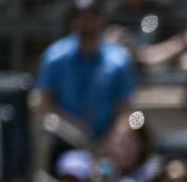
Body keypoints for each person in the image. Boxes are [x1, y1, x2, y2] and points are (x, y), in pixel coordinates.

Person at [36, 0, 137, 166]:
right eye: (81, 16)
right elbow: (44, 106)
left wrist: (110, 140)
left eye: (93, 16)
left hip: (105, 147)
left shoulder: (118, 60)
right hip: (63, 144)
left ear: (102, 19)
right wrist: (74, 132)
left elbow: (125, 110)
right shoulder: (54, 57)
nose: (87, 22)